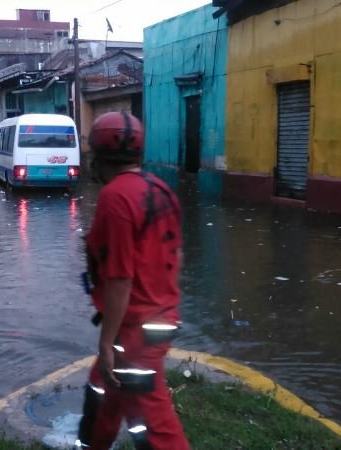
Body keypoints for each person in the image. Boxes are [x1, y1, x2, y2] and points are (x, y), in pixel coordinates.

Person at [77, 112, 190, 450]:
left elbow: (120, 280)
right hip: (156, 320)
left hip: (134, 330)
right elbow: (178, 257)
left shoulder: (115, 198)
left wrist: (106, 343)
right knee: (101, 391)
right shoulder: (162, 190)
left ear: (99, 157)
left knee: (153, 424)